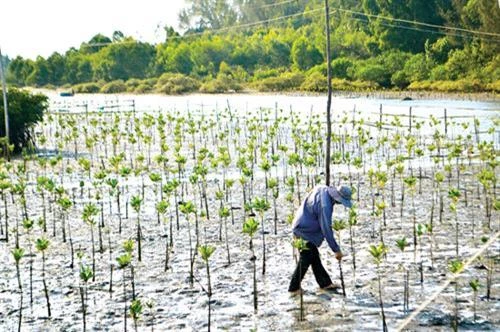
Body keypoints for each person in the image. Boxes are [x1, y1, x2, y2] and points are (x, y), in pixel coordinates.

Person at [288, 184, 353, 294]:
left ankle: (325, 283)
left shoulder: (322, 188)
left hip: (301, 223)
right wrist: (336, 250)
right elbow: (326, 228)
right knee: (307, 256)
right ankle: (293, 288)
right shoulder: (325, 206)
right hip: (303, 230)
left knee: (314, 256)